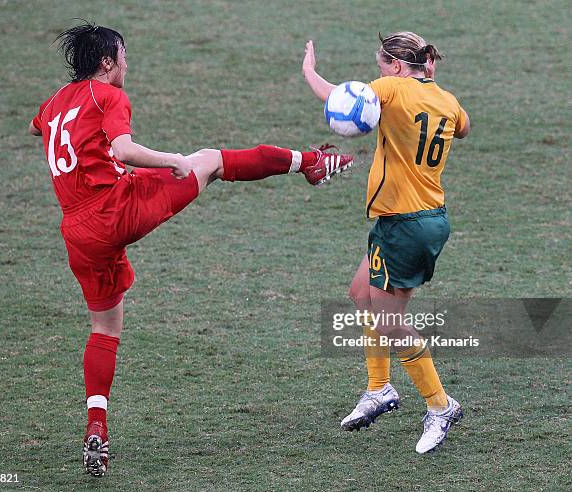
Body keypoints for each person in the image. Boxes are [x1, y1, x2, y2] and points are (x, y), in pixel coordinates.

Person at [29, 22, 353, 477]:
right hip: (115, 209)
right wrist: (172, 161)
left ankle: (96, 424)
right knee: (210, 160)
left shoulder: (54, 103)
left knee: (104, 327)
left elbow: (36, 125)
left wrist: (67, 129)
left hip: (77, 232)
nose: (126, 64)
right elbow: (122, 148)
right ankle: (311, 164)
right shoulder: (109, 97)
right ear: (106, 62)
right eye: (122, 56)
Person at [302, 31, 470, 454]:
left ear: (395, 66)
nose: (377, 74)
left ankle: (440, 405)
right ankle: (379, 389)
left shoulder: (392, 88)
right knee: (361, 293)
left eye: (380, 66)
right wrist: (430, 80)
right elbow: (464, 128)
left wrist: (309, 72)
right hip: (418, 219)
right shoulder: (447, 101)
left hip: (405, 224)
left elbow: (343, 100)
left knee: (390, 321)